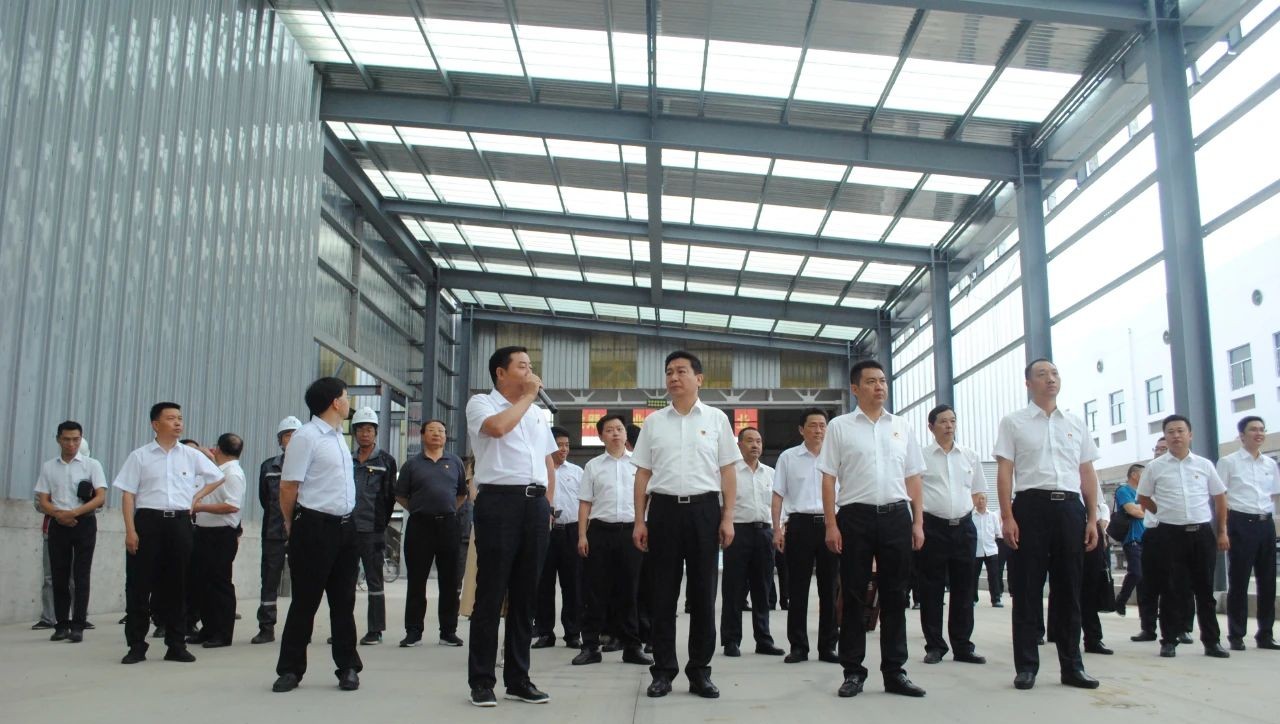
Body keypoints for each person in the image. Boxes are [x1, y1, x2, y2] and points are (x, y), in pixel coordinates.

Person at [632, 350, 740, 699]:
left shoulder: (717, 419)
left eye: (681, 371)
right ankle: (663, 671)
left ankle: (700, 672)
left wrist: (727, 517)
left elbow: (728, 472)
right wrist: (639, 520)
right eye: (669, 372)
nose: (673, 377)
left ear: (699, 378)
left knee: (704, 595)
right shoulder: (653, 422)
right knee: (662, 595)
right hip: (663, 511)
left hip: (704, 510)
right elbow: (643, 474)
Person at [819, 360, 927, 699]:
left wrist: (918, 521)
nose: (879, 386)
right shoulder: (840, 427)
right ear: (855, 389)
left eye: (882, 380)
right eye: (870, 381)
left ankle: (895, 672)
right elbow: (828, 477)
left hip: (896, 516)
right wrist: (831, 524)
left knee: (896, 595)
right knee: (853, 595)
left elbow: (913, 477)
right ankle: (853, 671)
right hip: (855, 517)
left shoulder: (901, 426)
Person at [994, 359, 1101, 691]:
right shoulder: (1014, 422)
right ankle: (1027, 666)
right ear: (1029, 383)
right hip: (1031, 507)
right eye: (1042, 375)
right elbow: (1005, 471)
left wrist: (1092, 517)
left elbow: (1087, 473)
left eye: (1054, 373)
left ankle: (1072, 666)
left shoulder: (1075, 423)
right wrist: (1007, 516)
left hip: (1070, 508)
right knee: (1027, 588)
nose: (1050, 379)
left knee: (1069, 589)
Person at [465, 346, 558, 707]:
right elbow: (498, 428)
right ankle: (481, 680)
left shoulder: (535, 414)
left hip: (535, 506)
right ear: (501, 373)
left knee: (526, 596)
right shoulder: (482, 404)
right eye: (522, 366)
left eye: (531, 366)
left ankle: (518, 679)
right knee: (491, 593)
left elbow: (547, 462)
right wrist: (529, 396)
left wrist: (547, 505)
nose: (530, 372)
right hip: (499, 502)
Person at [115, 403, 224, 664]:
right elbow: (128, 495)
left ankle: (176, 645)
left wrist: (195, 497)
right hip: (148, 522)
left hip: (179, 523)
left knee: (178, 585)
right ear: (156, 424)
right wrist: (130, 530)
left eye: (180, 418)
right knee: (139, 586)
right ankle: (136, 646)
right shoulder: (140, 456)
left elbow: (217, 476)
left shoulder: (190, 455)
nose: (177, 423)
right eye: (171, 418)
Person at [272, 377, 362, 693]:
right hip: (314, 527)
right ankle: (290, 670)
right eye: (346, 396)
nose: (348, 401)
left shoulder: (338, 437)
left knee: (344, 602)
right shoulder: (306, 437)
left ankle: (348, 667)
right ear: (335, 402)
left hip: (346, 528)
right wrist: (291, 524)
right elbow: (288, 486)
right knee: (305, 602)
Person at [1137, 414, 1230, 659]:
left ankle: (1212, 642)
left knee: (1205, 591)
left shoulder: (1204, 465)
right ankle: (1169, 640)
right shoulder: (1155, 467)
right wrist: (1162, 512)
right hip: (1170, 534)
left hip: (1201, 533)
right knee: (1170, 589)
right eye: (1170, 432)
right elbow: (1143, 497)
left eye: (1180, 431)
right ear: (1165, 437)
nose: (1176, 436)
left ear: (1190, 435)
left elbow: (1220, 497)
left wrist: (1222, 531)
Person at [573, 413, 652, 666]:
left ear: (626, 434)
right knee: (595, 591)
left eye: (619, 429)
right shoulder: (593, 466)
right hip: (600, 532)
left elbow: (648, 499)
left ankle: (632, 646)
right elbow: (585, 502)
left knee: (630, 591)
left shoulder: (639, 466)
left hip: (631, 533)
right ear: (601, 436)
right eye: (609, 430)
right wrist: (582, 535)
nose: (615, 433)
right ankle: (590, 646)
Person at [917, 404, 987, 665]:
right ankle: (935, 646)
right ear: (931, 426)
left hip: (964, 529)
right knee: (931, 589)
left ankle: (962, 646)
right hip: (932, 528)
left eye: (953, 421)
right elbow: (913, 492)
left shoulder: (969, 455)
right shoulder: (921, 457)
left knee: (964, 589)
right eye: (943, 421)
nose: (949, 426)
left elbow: (978, 491)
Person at [772, 408, 839, 664]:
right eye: (813, 425)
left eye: (823, 425)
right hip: (799, 525)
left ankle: (828, 646)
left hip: (831, 524)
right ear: (802, 429)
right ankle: (799, 646)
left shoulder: (837, 456)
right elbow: (778, 494)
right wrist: (777, 528)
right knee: (797, 588)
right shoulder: (788, 457)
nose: (819, 430)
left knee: (829, 588)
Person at [396, 418, 468, 647]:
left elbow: (461, 494)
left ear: (446, 436)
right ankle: (413, 631)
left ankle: (448, 631)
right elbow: (401, 496)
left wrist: (445, 510)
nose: (437, 434)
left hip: (448, 525)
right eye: (432, 430)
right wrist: (421, 509)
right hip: (420, 526)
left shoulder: (455, 462)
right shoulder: (412, 465)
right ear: (422, 435)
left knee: (450, 581)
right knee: (416, 581)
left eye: (441, 431)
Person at [34, 421, 107, 642]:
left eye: (76, 439)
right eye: (66, 439)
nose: (71, 444)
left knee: (81, 575)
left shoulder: (92, 465)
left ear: (81, 439)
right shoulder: (49, 467)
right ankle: (61, 625)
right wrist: (59, 515)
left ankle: (78, 625)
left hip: (84, 522)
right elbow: (43, 499)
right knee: (59, 575)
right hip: (58, 524)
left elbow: (100, 497)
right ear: (59, 439)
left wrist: (74, 513)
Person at [721, 426, 785, 658]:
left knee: (762, 588)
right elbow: (721, 503)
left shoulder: (770, 473)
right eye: (749, 441)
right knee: (734, 589)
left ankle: (764, 640)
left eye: (758, 441)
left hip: (764, 533)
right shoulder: (729, 473)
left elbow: (778, 505)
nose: (755, 445)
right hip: (738, 532)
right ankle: (731, 640)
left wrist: (778, 529)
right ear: (739, 445)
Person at [1217, 415, 1279, 651]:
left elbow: (1274, 496)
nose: (1259, 433)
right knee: (1239, 580)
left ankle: (1265, 634)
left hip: (1265, 524)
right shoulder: (1228, 462)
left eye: (1262, 429)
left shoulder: (1270, 464)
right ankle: (1236, 635)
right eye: (1253, 429)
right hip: (1240, 522)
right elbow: (1220, 497)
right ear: (1242, 435)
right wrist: (1222, 530)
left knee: (1268, 582)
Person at [188, 433, 246, 648]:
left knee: (219, 584)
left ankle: (223, 633)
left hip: (221, 534)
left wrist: (199, 507)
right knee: (204, 583)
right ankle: (209, 628)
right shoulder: (219, 470)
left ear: (219, 448)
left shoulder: (233, 474)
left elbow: (232, 505)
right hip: (205, 532)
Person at [350, 406, 397, 646]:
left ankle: (375, 630)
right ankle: (343, 628)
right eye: (360, 429)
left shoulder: (386, 461)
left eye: (369, 429)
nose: (365, 433)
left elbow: (390, 496)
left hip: (373, 529)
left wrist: (380, 524)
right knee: (344, 580)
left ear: (376, 432)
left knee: (374, 580)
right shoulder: (346, 459)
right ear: (354, 432)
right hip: (347, 528)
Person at [533, 426, 584, 649]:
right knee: (544, 583)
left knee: (573, 584)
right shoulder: (538, 471)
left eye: (566, 445)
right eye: (559, 445)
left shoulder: (577, 472)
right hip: (545, 531)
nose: (564, 449)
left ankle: (573, 633)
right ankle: (545, 632)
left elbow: (586, 503)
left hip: (571, 531)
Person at [253, 416, 301, 644]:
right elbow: (265, 499)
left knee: (302, 581)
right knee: (269, 580)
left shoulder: (309, 467)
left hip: (301, 532)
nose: (291, 440)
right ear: (280, 440)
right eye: (287, 436)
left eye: (295, 436)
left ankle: (299, 629)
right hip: (273, 532)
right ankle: (266, 627)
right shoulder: (268, 467)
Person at [1079, 480, 1113, 655]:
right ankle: (1064, 636)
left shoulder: (1088, 473)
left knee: (1091, 586)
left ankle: (1093, 638)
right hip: (1065, 527)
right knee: (1065, 585)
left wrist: (1101, 532)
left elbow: (1098, 504)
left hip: (1091, 528)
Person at [1112, 464, 1146, 618]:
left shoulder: (1145, 492)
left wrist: (1142, 509)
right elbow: (1133, 511)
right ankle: (1121, 599)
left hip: (1147, 539)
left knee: (1146, 578)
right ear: (1134, 475)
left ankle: (1146, 614)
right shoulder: (1124, 490)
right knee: (1136, 573)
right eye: (1143, 474)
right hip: (1132, 538)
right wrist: (1150, 509)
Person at [973, 499, 1004, 607]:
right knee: (973, 576)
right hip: (976, 550)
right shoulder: (972, 516)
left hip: (991, 550)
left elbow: (997, 532)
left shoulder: (993, 515)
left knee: (994, 575)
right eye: (978, 499)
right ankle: (973, 599)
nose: (980, 501)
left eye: (983, 499)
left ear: (986, 501)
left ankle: (996, 599)